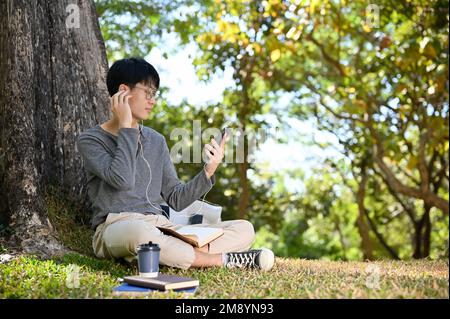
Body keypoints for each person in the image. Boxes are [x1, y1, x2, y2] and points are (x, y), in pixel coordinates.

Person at [76, 57, 274, 271]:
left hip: (164, 228)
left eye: (155, 94)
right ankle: (222, 260)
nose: (152, 101)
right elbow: (122, 179)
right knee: (141, 234)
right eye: (148, 93)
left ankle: (164, 254)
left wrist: (209, 170)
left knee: (245, 229)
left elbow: (176, 199)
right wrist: (127, 127)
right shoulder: (91, 140)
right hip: (117, 226)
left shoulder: (156, 140)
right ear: (123, 91)